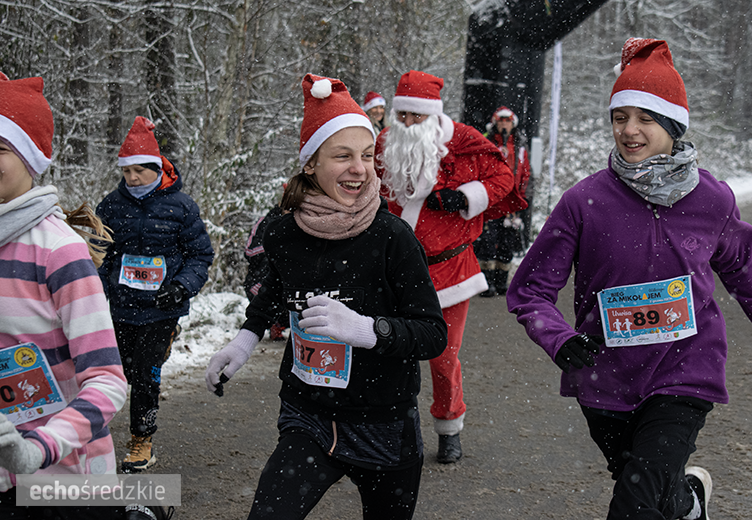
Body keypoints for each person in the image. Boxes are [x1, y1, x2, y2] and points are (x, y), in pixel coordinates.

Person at [507, 37, 752, 520]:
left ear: (673, 124)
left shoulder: (713, 200)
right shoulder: (584, 201)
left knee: (634, 501)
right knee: (647, 485)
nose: (629, 131)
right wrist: (558, 338)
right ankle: (688, 503)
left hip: (685, 370)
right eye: (620, 118)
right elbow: (530, 290)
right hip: (604, 374)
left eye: (645, 118)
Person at [205, 73, 447, 519]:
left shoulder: (393, 238)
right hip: (308, 414)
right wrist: (244, 340)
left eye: (368, 155)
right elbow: (274, 292)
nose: (360, 168)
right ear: (311, 164)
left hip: (384, 421)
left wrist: (366, 330)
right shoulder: (282, 232)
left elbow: (433, 334)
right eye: (343, 156)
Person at [375, 70, 524, 463]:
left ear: (432, 115)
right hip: (396, 270)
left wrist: (463, 197)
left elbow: (503, 178)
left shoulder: (463, 140)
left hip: (450, 269)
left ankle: (449, 425)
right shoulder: (383, 145)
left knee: (442, 356)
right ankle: (390, 428)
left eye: (415, 117)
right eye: (402, 115)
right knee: (390, 352)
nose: (407, 124)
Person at [0, 72, 127, 519]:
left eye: (0, 149)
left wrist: (37, 449)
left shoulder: (60, 251)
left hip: (65, 484)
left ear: (31, 159)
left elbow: (108, 382)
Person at [97, 116, 214, 473]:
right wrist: (94, 291)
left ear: (156, 167)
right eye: (127, 171)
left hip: (162, 310)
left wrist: (181, 287)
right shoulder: (111, 206)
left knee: (146, 375)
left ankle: (141, 439)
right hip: (120, 308)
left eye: (139, 171)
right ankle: (89, 435)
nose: (132, 179)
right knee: (112, 373)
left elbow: (200, 255)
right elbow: (101, 255)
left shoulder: (181, 206)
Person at [474, 106, 533, 297]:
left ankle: (501, 282)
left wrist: (522, 199)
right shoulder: (487, 142)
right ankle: (487, 282)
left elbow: (526, 174)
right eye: (500, 121)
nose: (504, 124)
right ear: (495, 123)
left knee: (507, 242)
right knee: (489, 241)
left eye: (507, 121)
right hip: (492, 201)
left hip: (512, 204)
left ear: (512, 123)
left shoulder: (520, 145)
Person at [243, 206, 286, 341]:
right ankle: (275, 323)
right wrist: (279, 249)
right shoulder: (266, 222)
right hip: (261, 276)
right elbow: (250, 251)